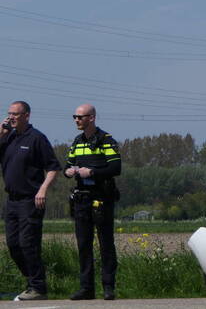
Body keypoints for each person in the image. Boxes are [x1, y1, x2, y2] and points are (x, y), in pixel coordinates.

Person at [0, 101, 60, 302]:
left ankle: (37, 287)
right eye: (9, 114)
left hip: (30, 200)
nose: (11, 118)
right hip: (12, 201)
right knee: (13, 245)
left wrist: (43, 189)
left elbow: (53, 168)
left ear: (26, 115)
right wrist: (0, 132)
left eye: (15, 114)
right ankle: (33, 283)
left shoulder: (37, 138)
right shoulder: (7, 138)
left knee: (28, 243)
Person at [64, 104, 121, 301]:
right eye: (75, 117)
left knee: (105, 243)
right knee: (83, 244)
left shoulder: (106, 140)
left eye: (80, 117)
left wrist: (93, 172)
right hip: (81, 198)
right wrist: (68, 171)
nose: (76, 120)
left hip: (102, 198)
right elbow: (68, 165)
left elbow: (116, 167)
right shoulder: (77, 141)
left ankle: (108, 287)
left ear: (92, 118)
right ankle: (86, 288)